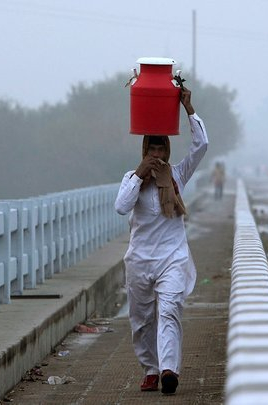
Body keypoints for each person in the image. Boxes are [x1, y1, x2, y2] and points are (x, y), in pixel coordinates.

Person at [114, 87, 208, 395]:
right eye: (151, 150)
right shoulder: (133, 179)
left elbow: (201, 145)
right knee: (142, 322)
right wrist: (140, 175)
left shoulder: (177, 176)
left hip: (173, 258)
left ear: (167, 151)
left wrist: (188, 110)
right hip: (140, 260)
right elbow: (121, 207)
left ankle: (169, 370)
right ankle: (150, 369)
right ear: (144, 151)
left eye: (161, 149)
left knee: (169, 311)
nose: (157, 155)